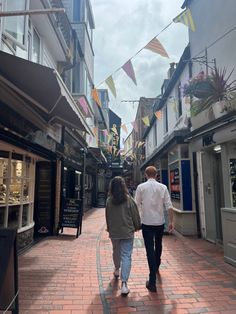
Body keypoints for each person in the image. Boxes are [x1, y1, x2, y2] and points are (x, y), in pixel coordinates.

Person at [135, 166, 174, 293]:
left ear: (146, 175)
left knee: (149, 249)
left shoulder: (141, 187)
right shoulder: (163, 187)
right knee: (159, 244)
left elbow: (136, 205)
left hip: (146, 222)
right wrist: (171, 222)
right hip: (159, 222)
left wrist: (137, 220)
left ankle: (152, 281)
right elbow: (169, 206)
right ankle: (156, 265)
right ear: (156, 175)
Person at [105, 176, 141, 295]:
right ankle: (124, 283)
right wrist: (137, 226)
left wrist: (109, 228)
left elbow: (107, 216)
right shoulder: (128, 199)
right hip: (127, 231)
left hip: (114, 231)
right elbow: (135, 214)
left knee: (116, 251)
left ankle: (116, 269)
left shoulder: (109, 200)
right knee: (126, 256)